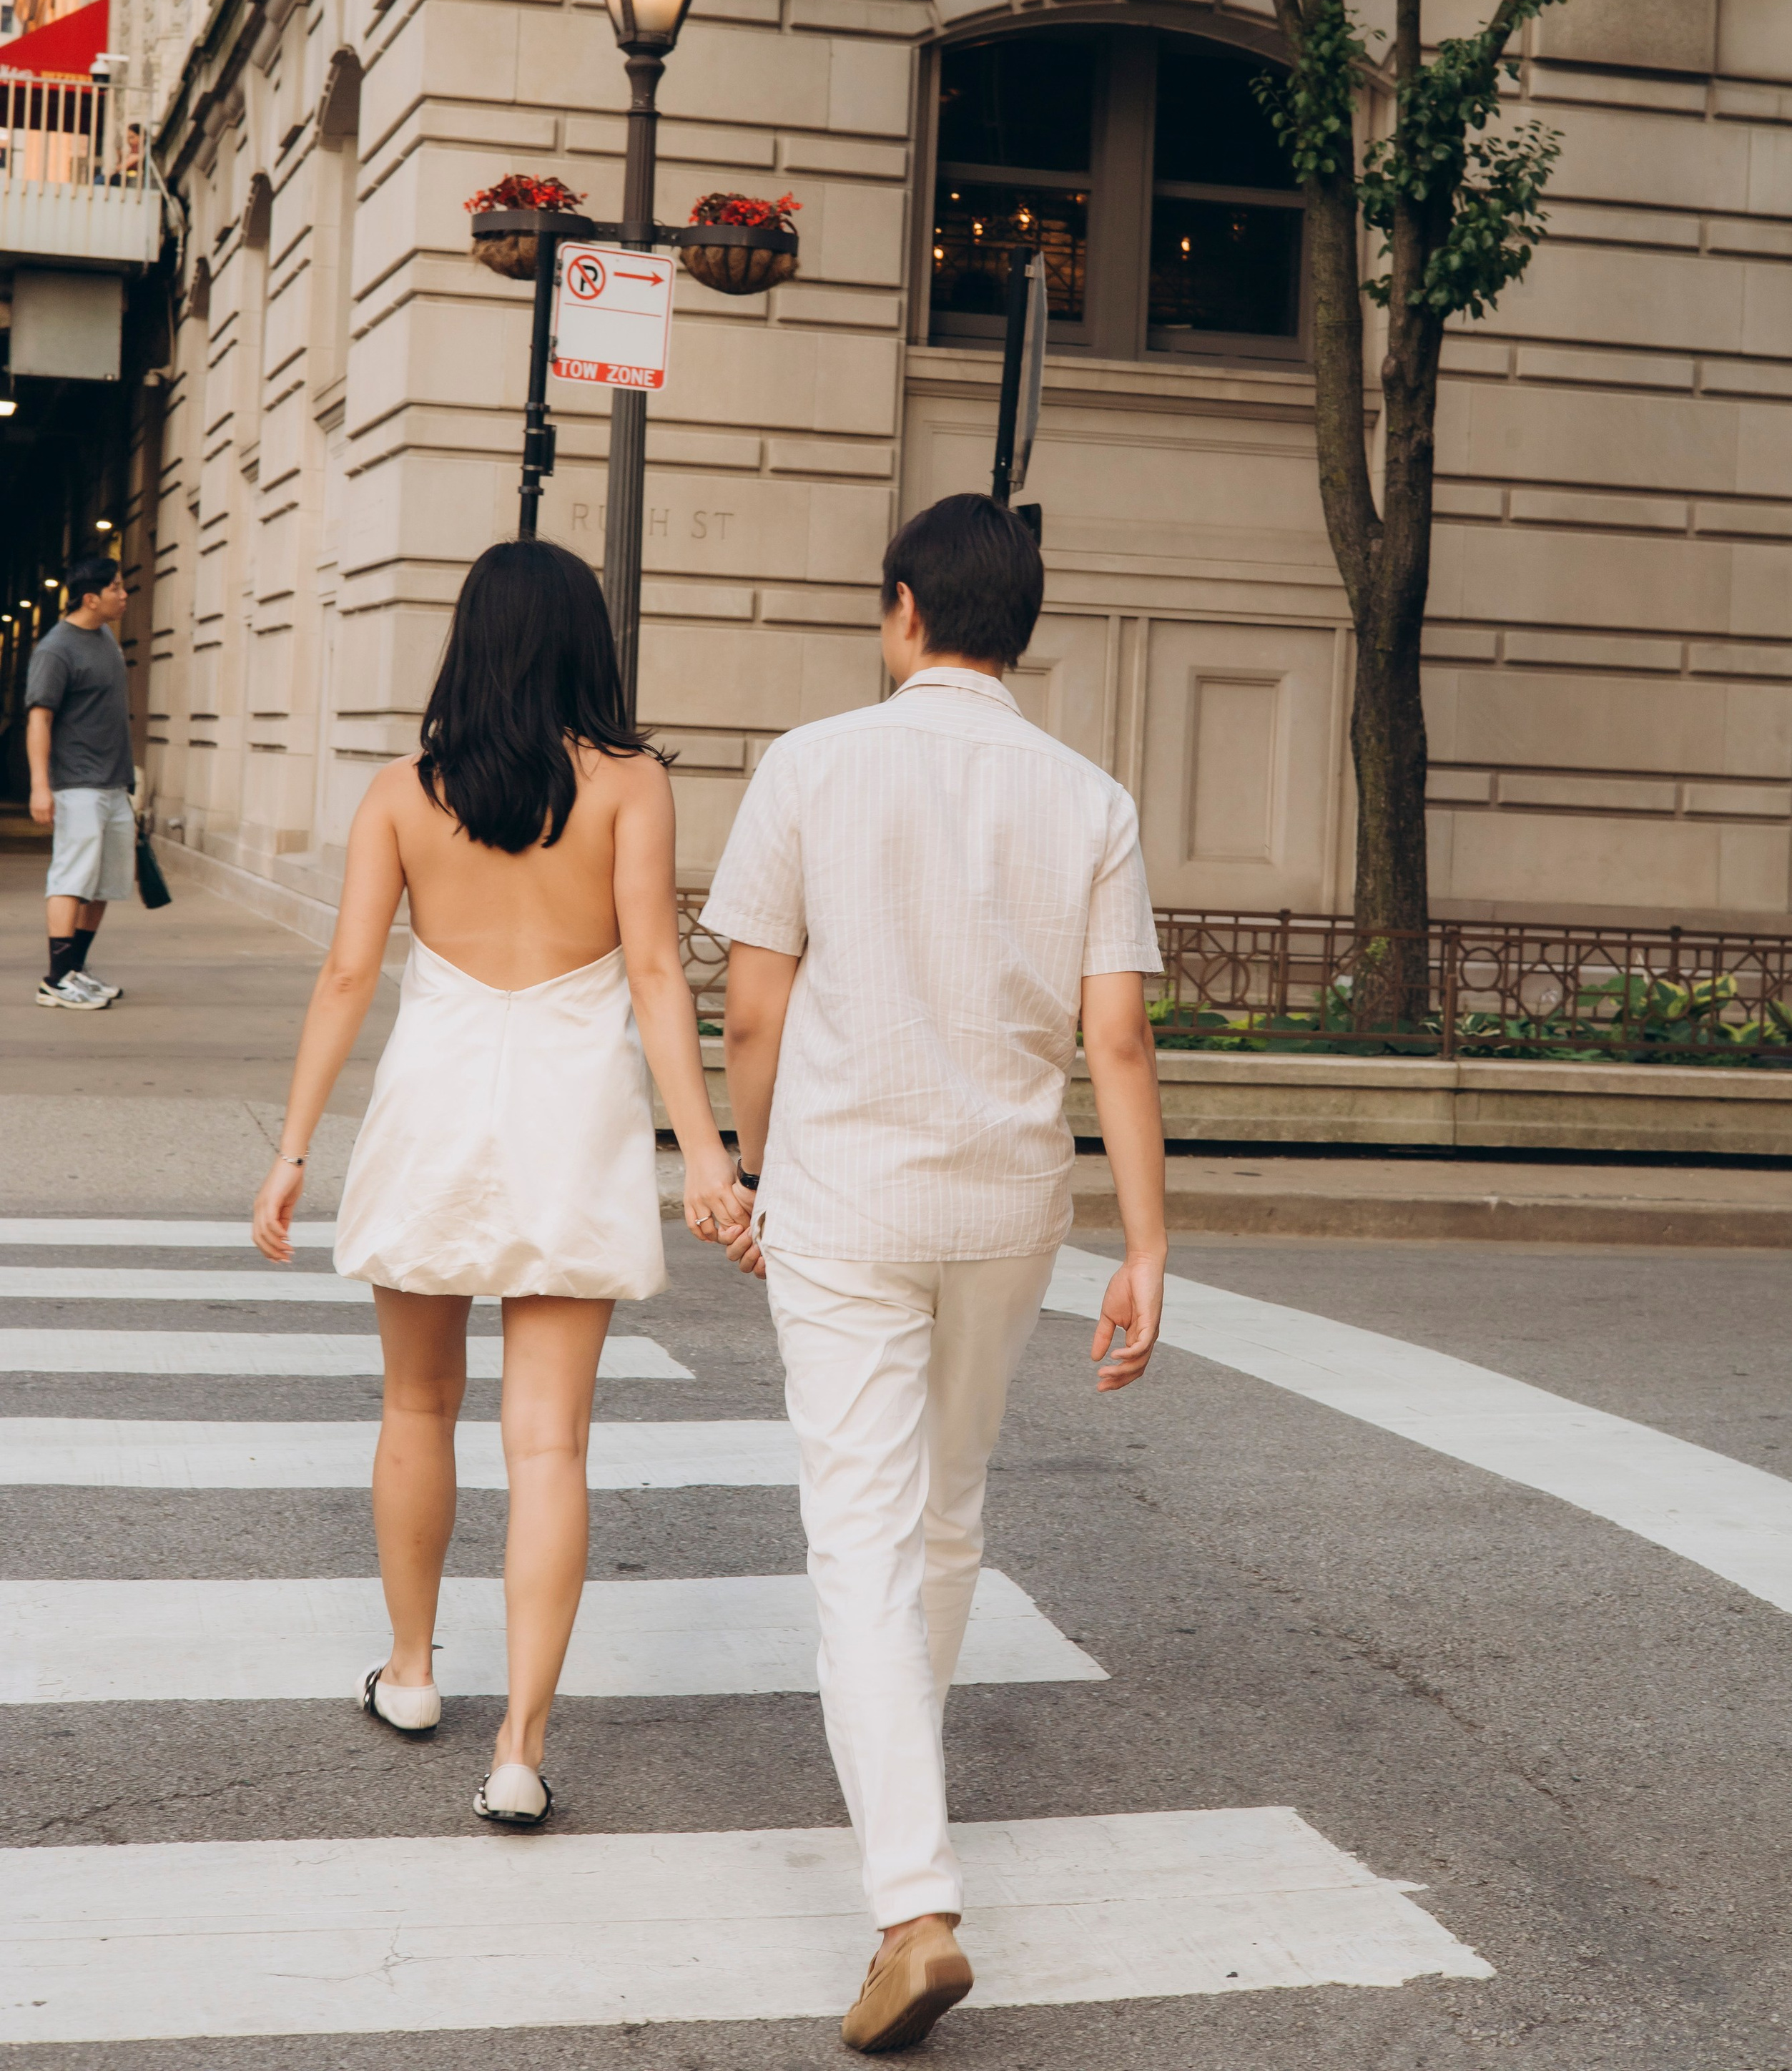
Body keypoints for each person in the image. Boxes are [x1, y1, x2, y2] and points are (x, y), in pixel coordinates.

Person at [701, 492, 1169, 2055]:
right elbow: (1116, 1035)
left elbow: (753, 1008)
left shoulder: (811, 764)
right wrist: (1148, 1244)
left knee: (858, 1534)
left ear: (902, 608)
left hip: (844, 1195)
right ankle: (903, 1764)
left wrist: (745, 1160)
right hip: (1006, 1204)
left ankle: (911, 1898)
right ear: (1016, 628)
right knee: (946, 1511)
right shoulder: (1088, 797)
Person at [251, 538, 744, 1826]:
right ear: (588, 642)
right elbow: (652, 975)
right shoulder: (632, 787)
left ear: (469, 641)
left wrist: (295, 1147)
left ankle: (412, 1673)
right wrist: (706, 1150)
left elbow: (349, 977)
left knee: (417, 1407)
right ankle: (519, 1748)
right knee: (550, 1443)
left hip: (435, 1102)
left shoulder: (404, 795)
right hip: (572, 1108)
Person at [26, 551, 134, 1010]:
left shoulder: (105, 637)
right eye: (116, 588)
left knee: (106, 883)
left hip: (113, 784)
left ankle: (75, 969)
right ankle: (55, 980)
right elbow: (40, 719)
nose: (124, 595)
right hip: (78, 784)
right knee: (71, 879)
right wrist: (39, 786)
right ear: (91, 598)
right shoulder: (56, 649)